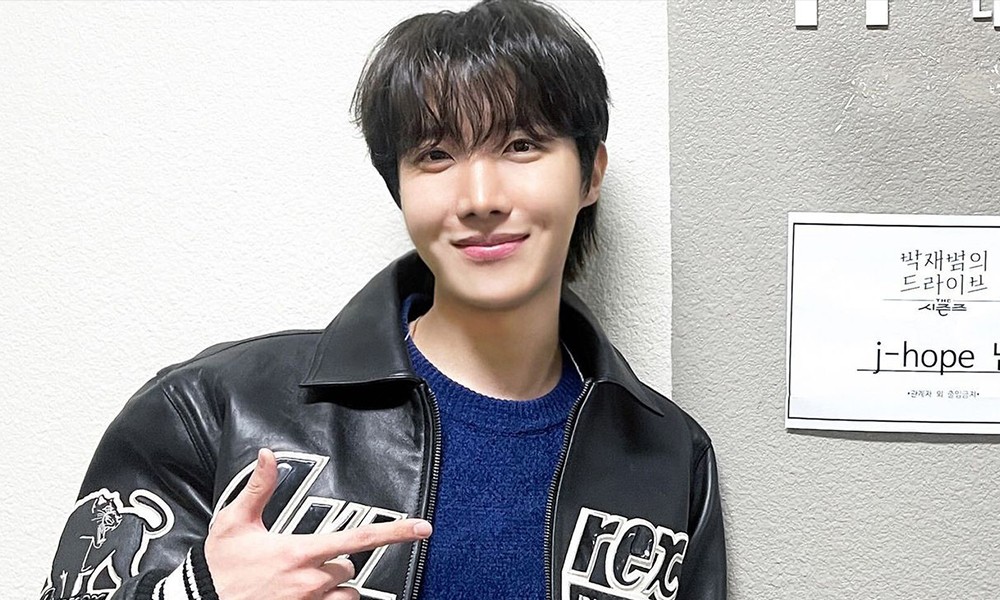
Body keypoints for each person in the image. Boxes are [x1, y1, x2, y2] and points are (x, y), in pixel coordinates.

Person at [41, 1, 726, 599]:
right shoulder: (214, 408)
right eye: (435, 155)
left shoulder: (667, 456)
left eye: (521, 145)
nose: (480, 198)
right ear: (399, 187)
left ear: (589, 175)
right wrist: (203, 591)